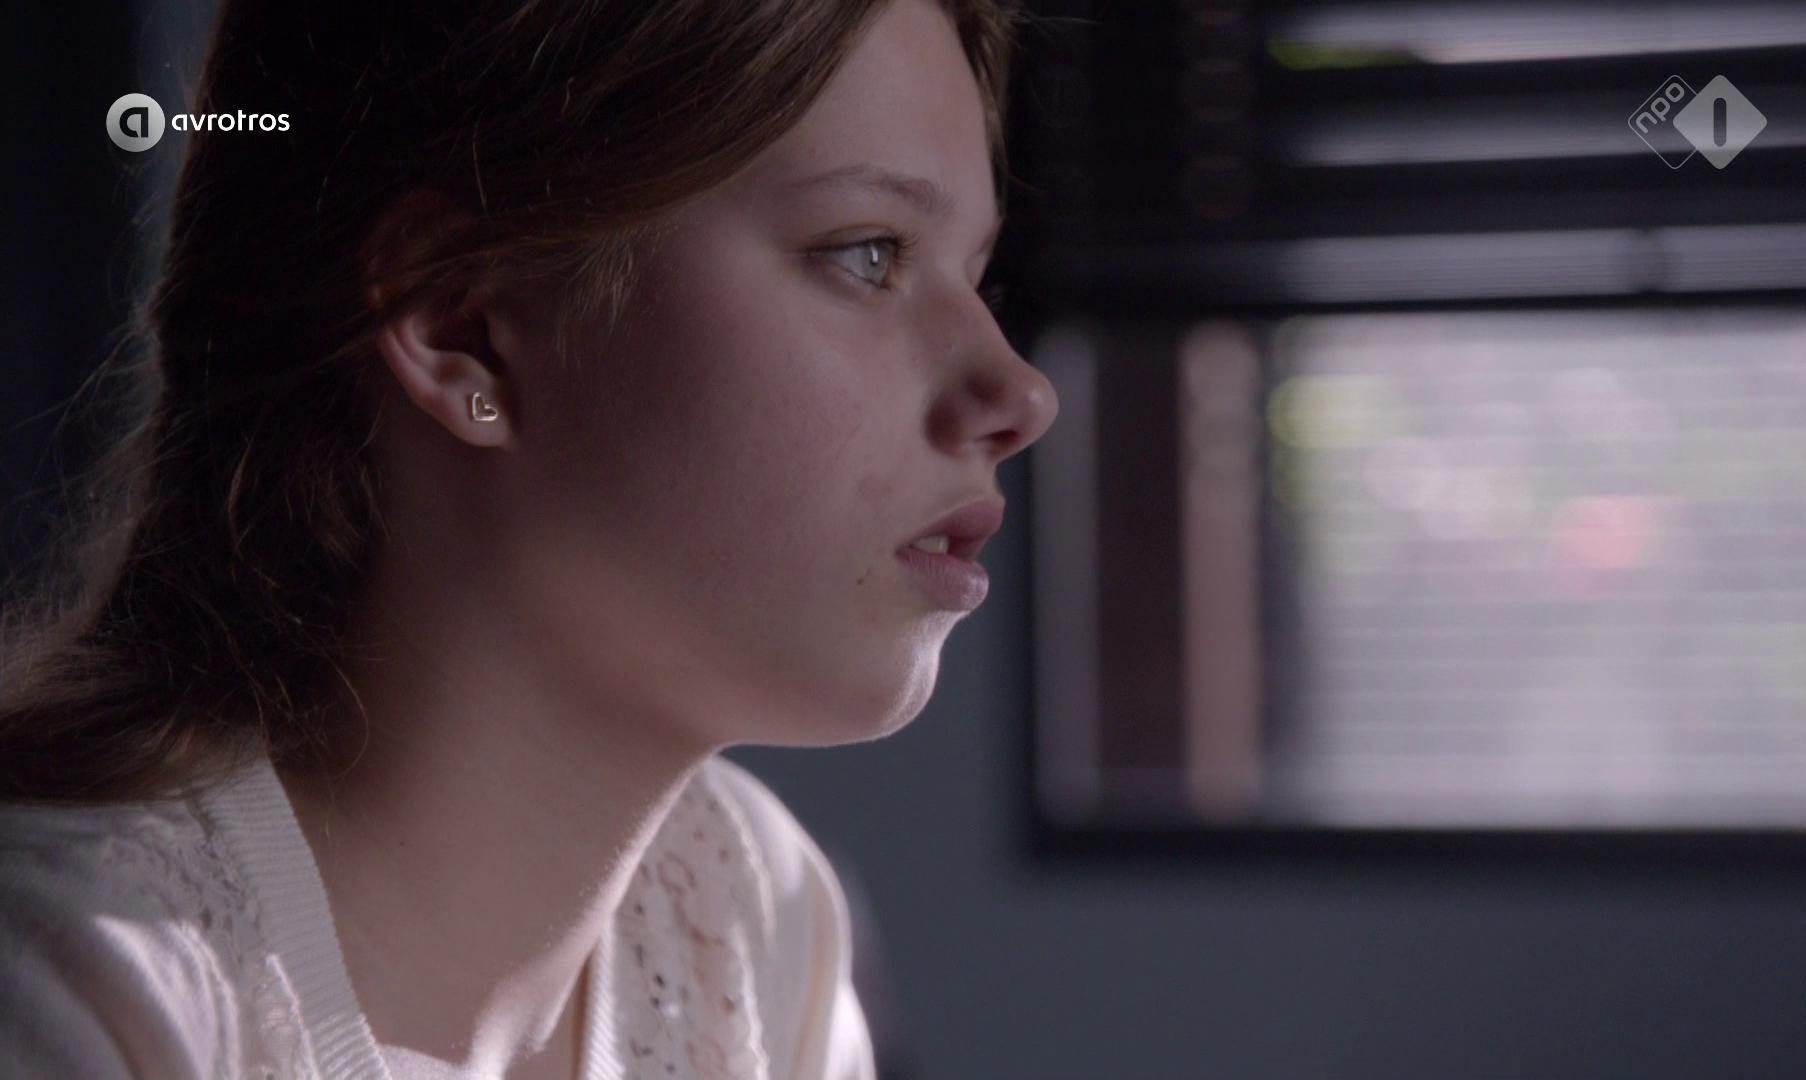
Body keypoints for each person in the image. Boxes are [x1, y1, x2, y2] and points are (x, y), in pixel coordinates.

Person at [0, 0, 1058, 1076]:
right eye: (869, 255)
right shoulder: (78, 992)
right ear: (459, 326)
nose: (1020, 394)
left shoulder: (751, 922)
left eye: (976, 279)